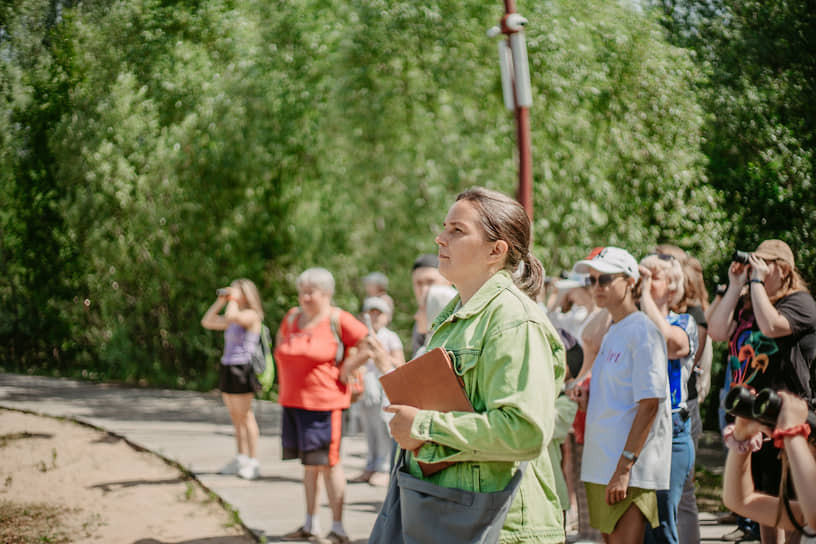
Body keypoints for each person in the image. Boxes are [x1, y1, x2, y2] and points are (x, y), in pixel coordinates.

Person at [382, 187, 567, 542]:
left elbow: (524, 431)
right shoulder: (454, 318)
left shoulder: (514, 319)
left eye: (457, 230)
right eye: (444, 227)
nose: (440, 238)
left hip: (502, 527)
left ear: (496, 251)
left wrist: (422, 425)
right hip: (455, 515)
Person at [708, 239, 816, 544]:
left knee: (791, 504)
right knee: (761, 501)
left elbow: (771, 327)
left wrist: (754, 282)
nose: (754, 267)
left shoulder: (800, 302)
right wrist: (735, 285)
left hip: (787, 416)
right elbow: (716, 331)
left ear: (782, 269)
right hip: (752, 416)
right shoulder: (749, 302)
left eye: (762, 263)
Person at [570, 247, 671, 543]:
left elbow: (650, 404)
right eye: (592, 281)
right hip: (602, 465)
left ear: (630, 281)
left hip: (624, 470)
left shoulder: (643, 332)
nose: (596, 287)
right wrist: (587, 401)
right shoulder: (614, 330)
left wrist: (625, 468)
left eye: (604, 279)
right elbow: (620, 398)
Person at [273, 268, 369, 544]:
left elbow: (367, 345)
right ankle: (310, 524)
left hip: (324, 404)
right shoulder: (292, 317)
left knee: (329, 464)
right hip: (293, 402)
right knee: (309, 465)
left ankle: (338, 528)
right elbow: (281, 346)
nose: (304, 297)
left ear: (326, 293)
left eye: (310, 292)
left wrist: (348, 366)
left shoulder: (338, 319)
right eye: (301, 291)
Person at [639, 254, 698, 544]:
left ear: (672, 287)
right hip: (637, 426)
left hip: (672, 429)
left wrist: (643, 297)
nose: (645, 282)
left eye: (654, 277)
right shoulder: (632, 322)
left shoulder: (684, 322)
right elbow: (589, 337)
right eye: (642, 275)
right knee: (638, 526)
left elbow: (671, 343)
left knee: (661, 524)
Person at [722, 391, 816, 539]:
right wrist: (742, 436)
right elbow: (740, 501)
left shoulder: (810, 512)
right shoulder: (803, 514)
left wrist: (792, 432)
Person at [200, 279, 264, 480]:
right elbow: (207, 321)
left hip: (243, 368)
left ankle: (253, 461)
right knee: (236, 417)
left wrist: (233, 299)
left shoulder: (251, 315)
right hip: (228, 366)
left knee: (246, 416)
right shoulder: (233, 315)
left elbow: (231, 316)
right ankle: (241, 457)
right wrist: (221, 300)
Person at [347, 296, 405, 487]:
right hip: (367, 387)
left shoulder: (390, 337)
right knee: (369, 426)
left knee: (383, 425)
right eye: (371, 313)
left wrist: (380, 356)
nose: (374, 317)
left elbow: (400, 362)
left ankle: (384, 467)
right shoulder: (363, 336)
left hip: (383, 386)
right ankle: (371, 465)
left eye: (378, 313)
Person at [409, 253, 454, 356]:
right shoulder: (420, 323)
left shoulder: (461, 317)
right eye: (419, 284)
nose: (425, 289)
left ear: (448, 281)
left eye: (430, 282)